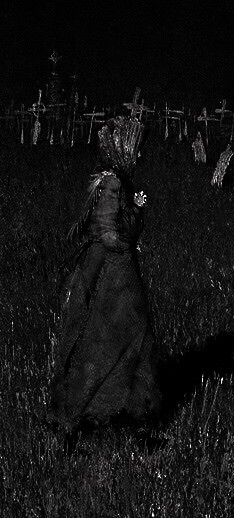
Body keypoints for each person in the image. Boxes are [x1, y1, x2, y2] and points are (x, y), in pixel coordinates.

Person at [46, 115, 161, 434]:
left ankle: (132, 415)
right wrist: (135, 219)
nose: (139, 155)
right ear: (125, 150)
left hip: (114, 272)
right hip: (113, 275)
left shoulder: (115, 182)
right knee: (112, 341)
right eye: (136, 150)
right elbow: (110, 235)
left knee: (124, 340)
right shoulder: (113, 183)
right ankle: (99, 416)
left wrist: (133, 208)